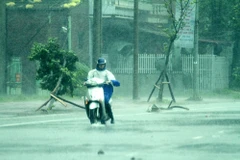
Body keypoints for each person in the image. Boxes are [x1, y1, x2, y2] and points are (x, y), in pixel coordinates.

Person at [87, 58, 120, 124]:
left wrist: (111, 81)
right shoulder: (92, 72)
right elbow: (88, 79)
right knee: (87, 100)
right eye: (100, 65)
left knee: (105, 100)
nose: (101, 66)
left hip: (106, 90)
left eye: (102, 65)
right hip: (94, 89)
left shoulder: (107, 73)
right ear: (97, 64)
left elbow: (114, 80)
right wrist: (86, 81)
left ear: (105, 65)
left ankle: (112, 117)